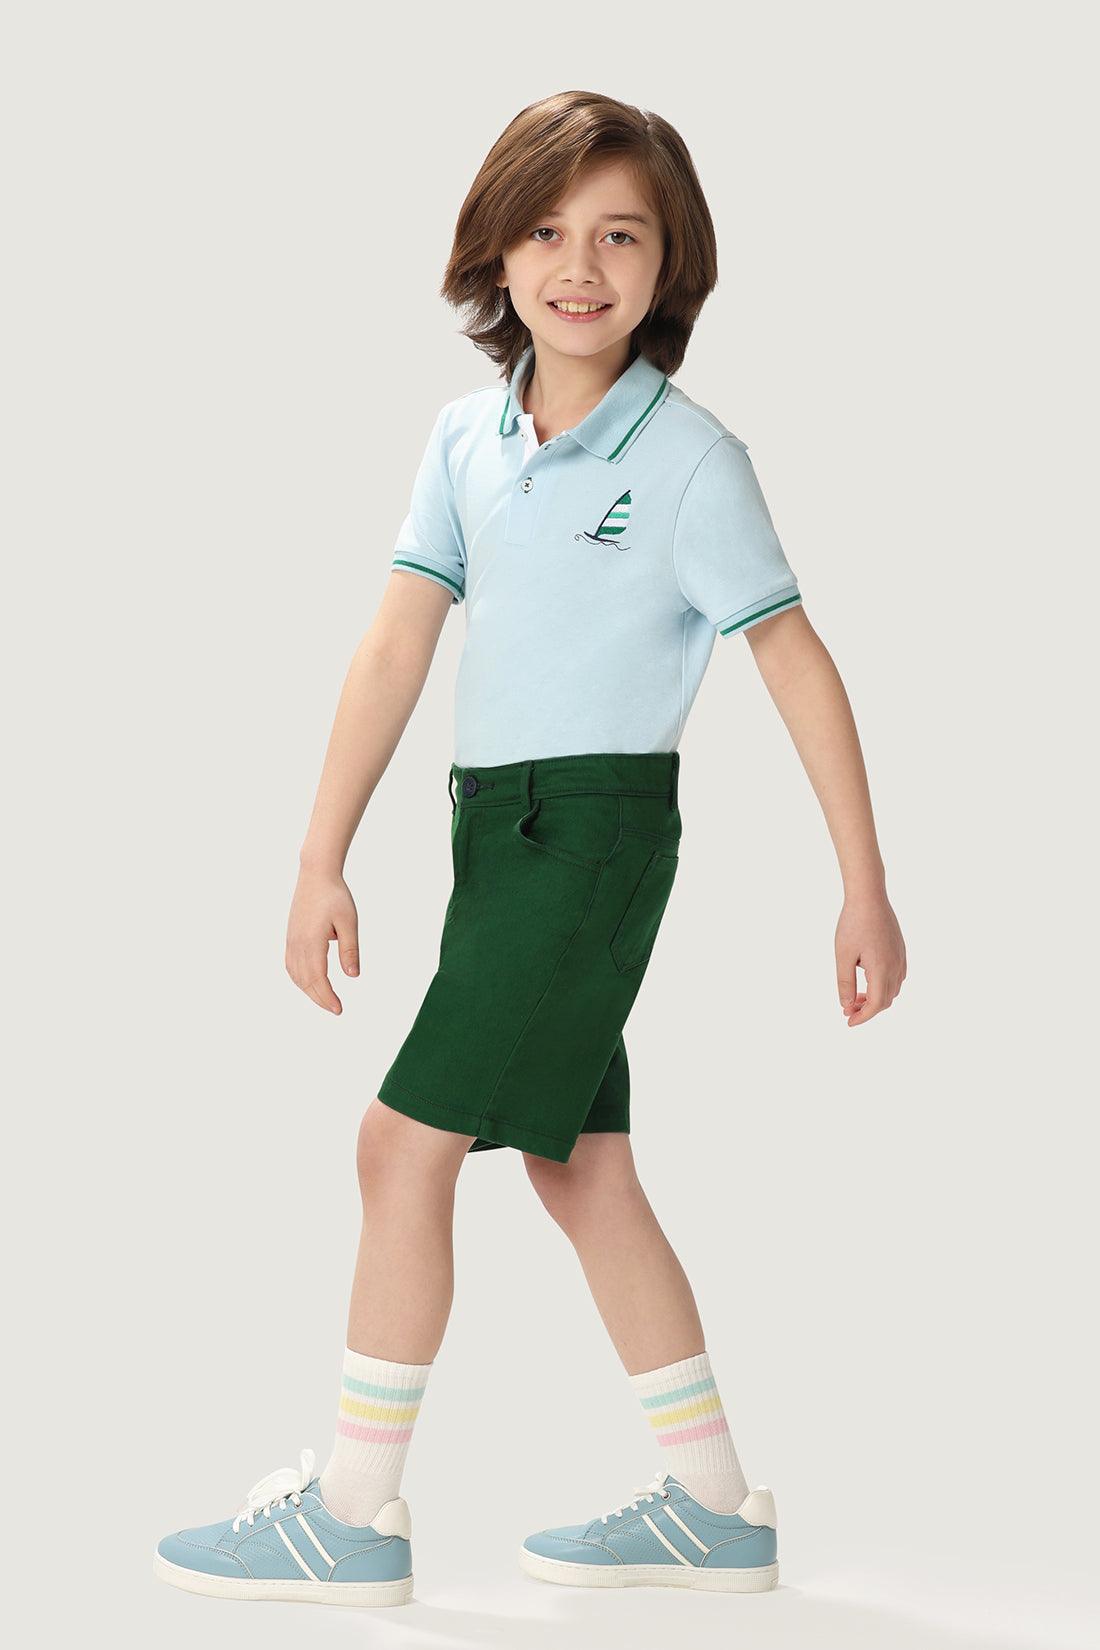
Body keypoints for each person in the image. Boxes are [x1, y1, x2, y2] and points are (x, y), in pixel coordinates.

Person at [154, 90, 906, 1608]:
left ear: (669, 263)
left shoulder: (690, 459)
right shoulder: (465, 439)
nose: (580, 265)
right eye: (548, 230)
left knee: (397, 1146)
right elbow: (394, 643)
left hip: (593, 833)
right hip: (497, 834)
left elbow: (793, 658)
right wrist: (319, 854)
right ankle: (713, 1505)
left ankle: (353, 1512)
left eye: (621, 235)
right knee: (582, 1165)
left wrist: (863, 885)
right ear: (495, 251)